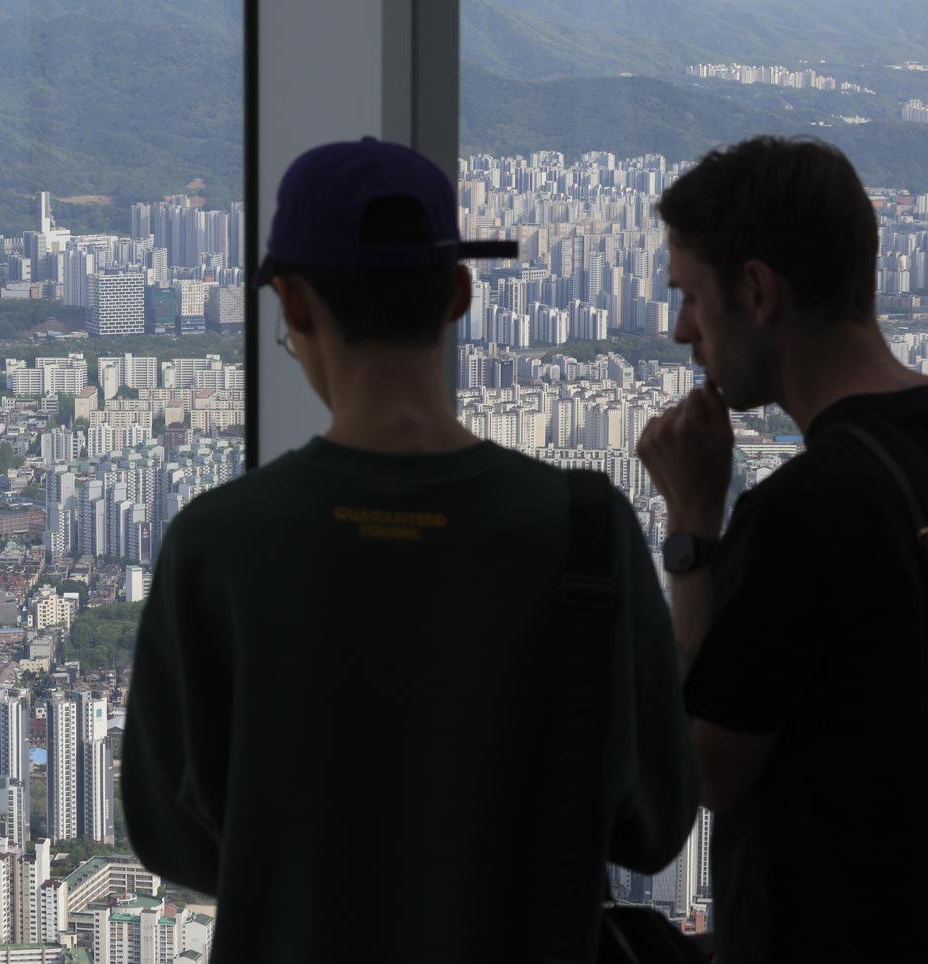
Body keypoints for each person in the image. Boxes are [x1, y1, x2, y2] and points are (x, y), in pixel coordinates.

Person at [121, 138, 699, 960]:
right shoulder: (586, 530)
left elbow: (169, 837)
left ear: (292, 305)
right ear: (459, 292)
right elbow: (655, 822)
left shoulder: (216, 544)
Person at [636, 135, 928, 963]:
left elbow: (711, 769)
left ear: (758, 291)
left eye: (691, 297)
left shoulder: (803, 510)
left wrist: (693, 528)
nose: (679, 331)